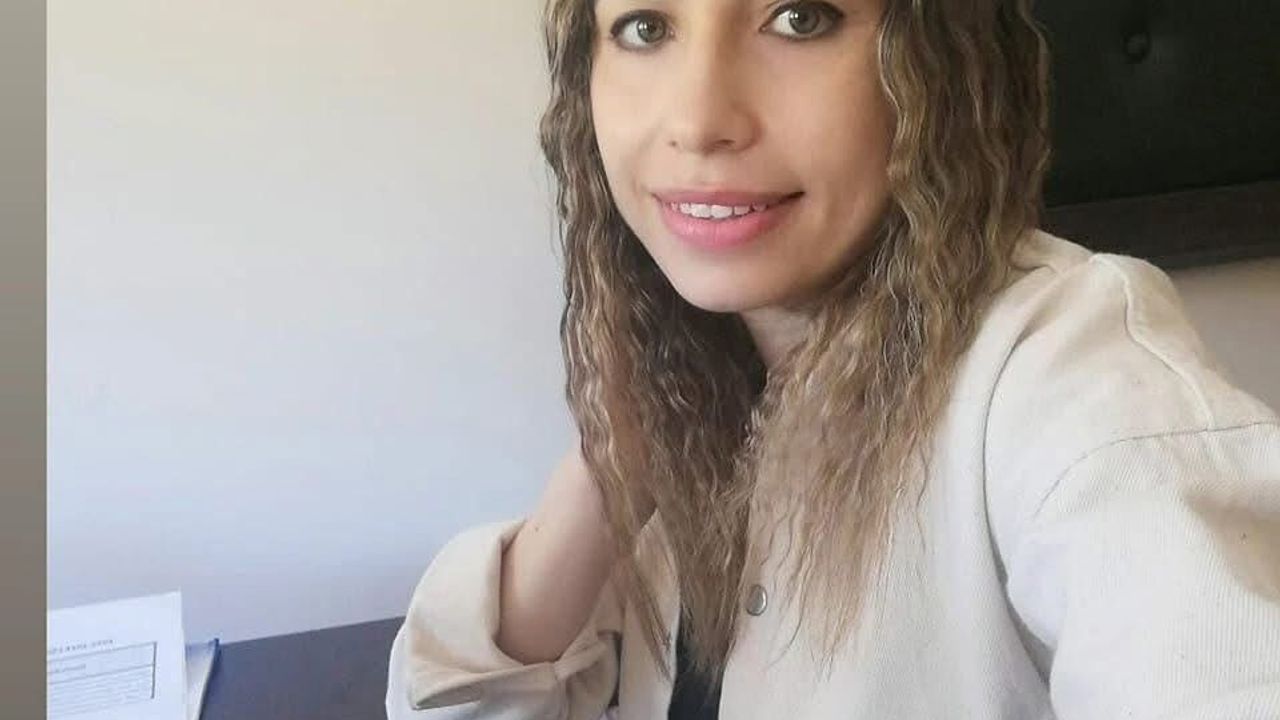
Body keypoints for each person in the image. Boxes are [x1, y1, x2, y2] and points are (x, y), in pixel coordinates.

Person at [386, 0, 1280, 717]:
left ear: (940, 59)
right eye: (646, 27)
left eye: (800, 18)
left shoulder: (1067, 369)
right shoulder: (700, 373)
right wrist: (609, 464)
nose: (698, 120)